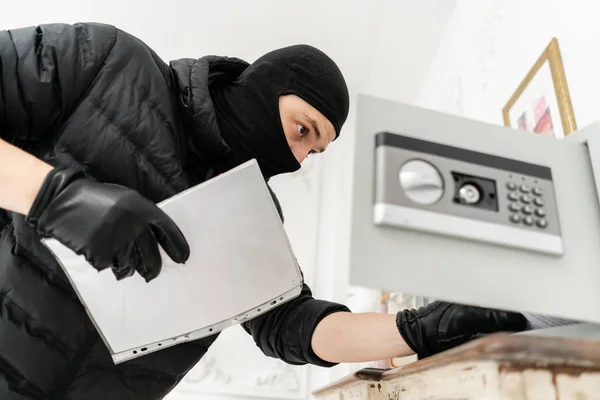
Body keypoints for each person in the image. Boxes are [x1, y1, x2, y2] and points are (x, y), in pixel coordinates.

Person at [0, 22, 527, 399]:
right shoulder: (108, 63)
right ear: (264, 86)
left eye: (312, 152)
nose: (296, 159)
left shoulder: (253, 217)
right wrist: (54, 196)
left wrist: (416, 329)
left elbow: (293, 325)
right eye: (302, 130)